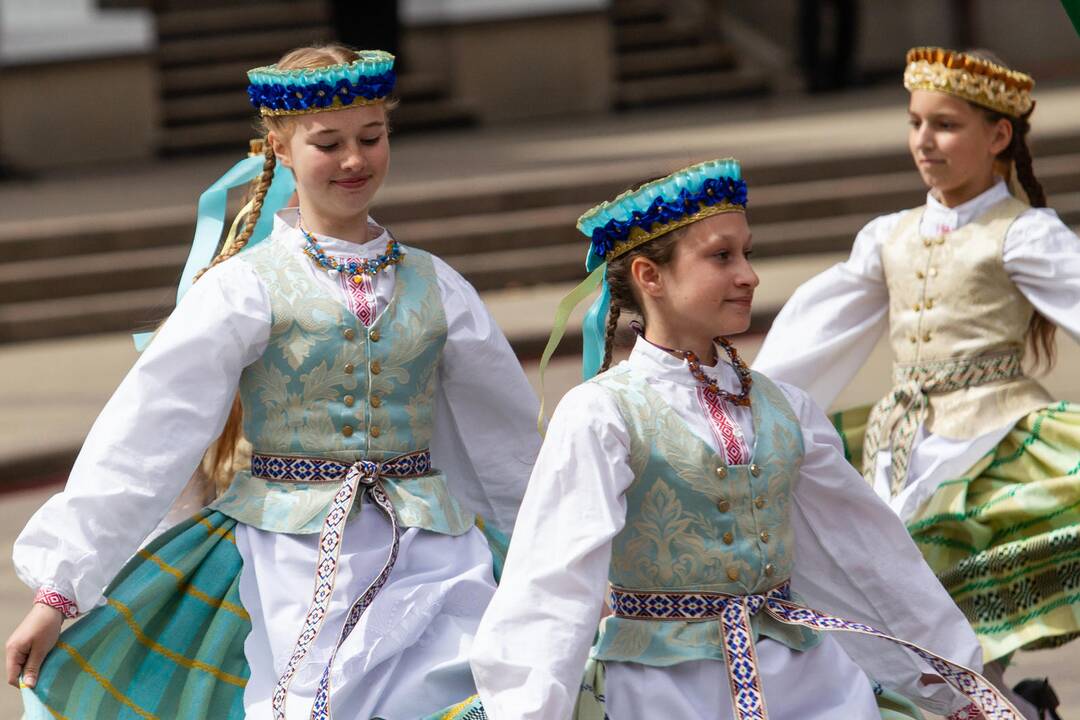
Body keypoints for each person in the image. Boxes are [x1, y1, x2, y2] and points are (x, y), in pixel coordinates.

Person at [6, 44, 540, 720]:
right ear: (281, 150)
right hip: (285, 560)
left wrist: (559, 561)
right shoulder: (245, 288)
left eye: (372, 137)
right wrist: (60, 593)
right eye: (329, 143)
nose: (355, 160)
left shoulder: (438, 287)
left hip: (434, 560)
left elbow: (507, 444)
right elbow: (147, 434)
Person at [469, 158, 1023, 719]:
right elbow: (554, 584)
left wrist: (951, 680)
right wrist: (530, 709)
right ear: (649, 275)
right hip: (663, 692)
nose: (749, 275)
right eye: (721, 256)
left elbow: (863, 553)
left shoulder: (786, 409)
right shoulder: (602, 414)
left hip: (809, 686)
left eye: (747, 253)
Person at [754, 47, 1080, 718]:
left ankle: (1004, 703)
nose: (924, 142)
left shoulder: (1021, 233)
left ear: (998, 137)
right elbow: (813, 336)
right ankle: (1011, 706)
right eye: (915, 123)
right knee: (889, 597)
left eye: (946, 125)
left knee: (936, 591)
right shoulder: (888, 237)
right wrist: (733, 403)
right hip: (898, 447)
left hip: (995, 440)